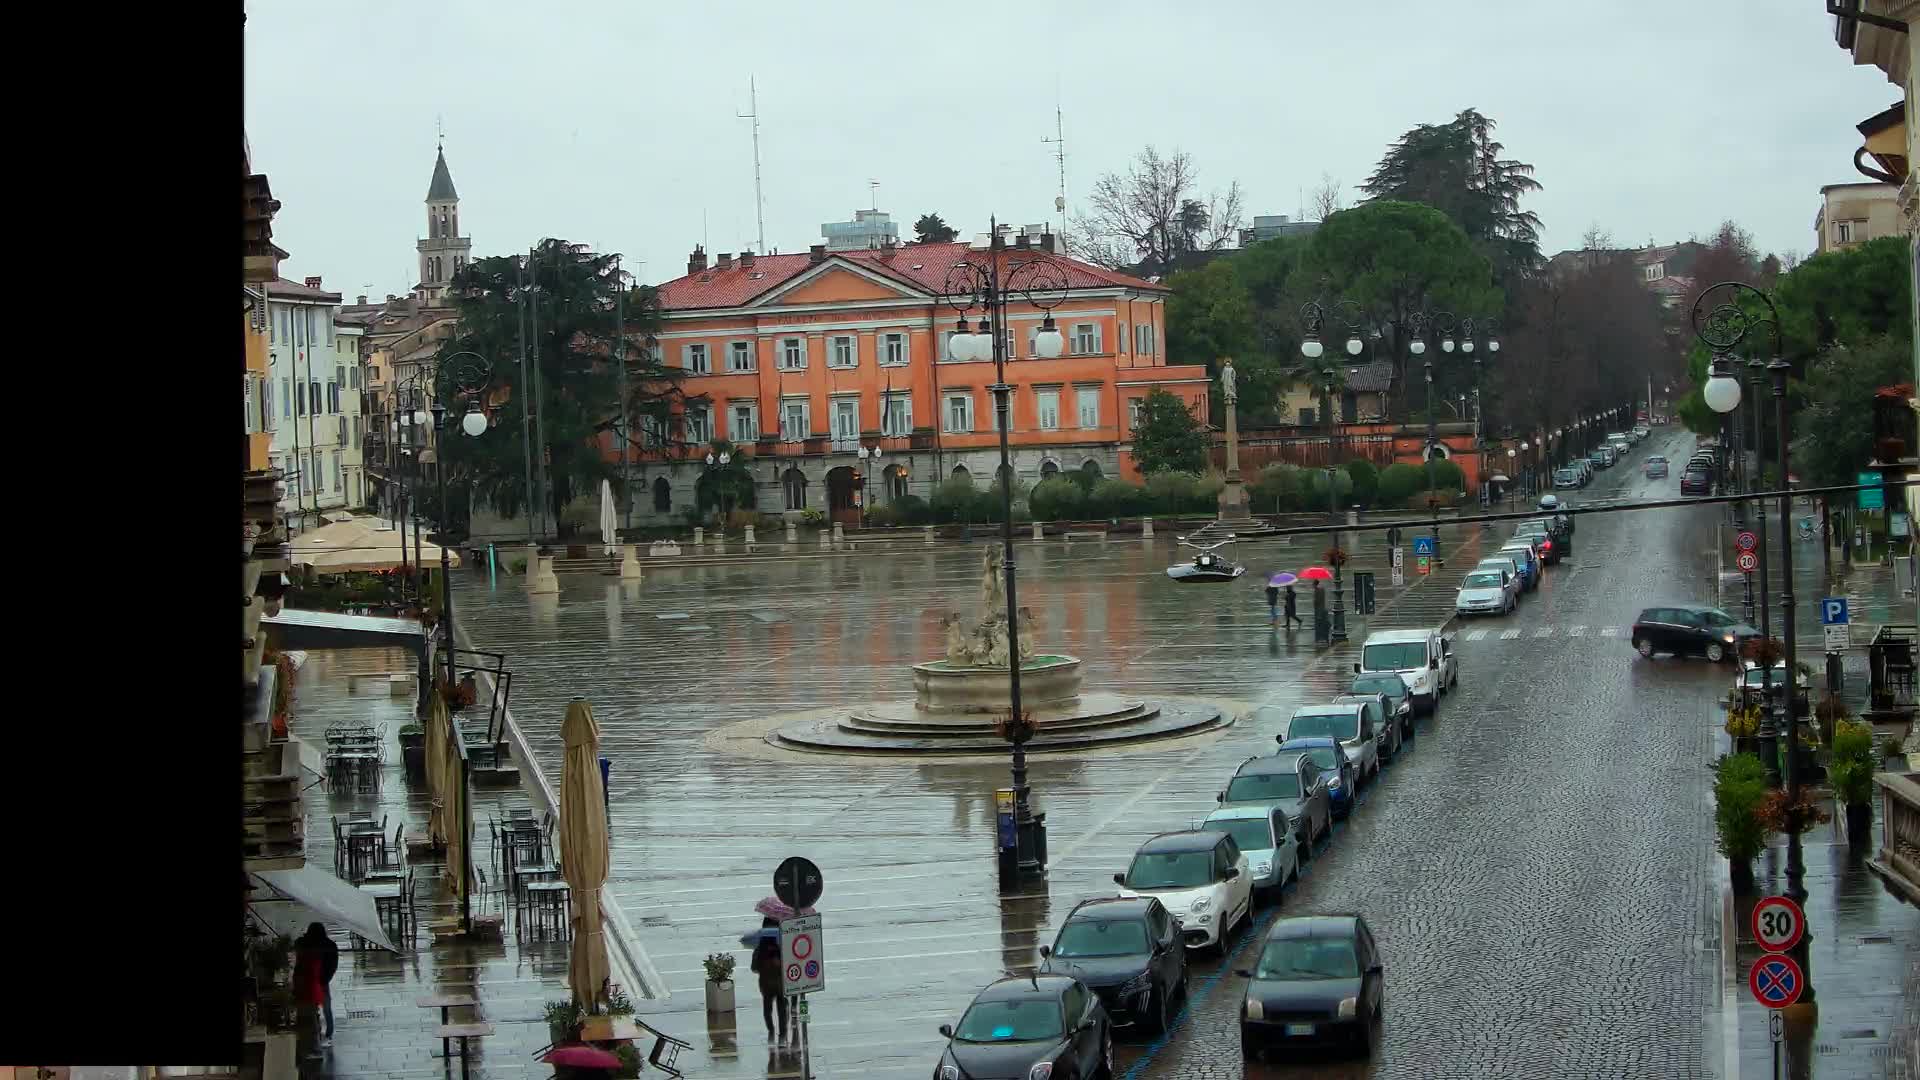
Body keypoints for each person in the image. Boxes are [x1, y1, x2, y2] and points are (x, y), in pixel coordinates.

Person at [292, 922, 338, 1049]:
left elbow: (298, 948)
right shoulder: (329, 945)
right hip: (322, 980)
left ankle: (316, 1033)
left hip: (308, 981)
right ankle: (328, 1032)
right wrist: (325, 979)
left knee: (311, 1008)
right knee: (326, 1007)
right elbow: (333, 965)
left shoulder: (305, 943)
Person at [748, 918, 788, 1042]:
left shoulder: (759, 949)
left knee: (767, 1010)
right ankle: (782, 1035)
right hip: (780, 983)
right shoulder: (782, 946)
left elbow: (754, 968)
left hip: (765, 985)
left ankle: (771, 1031)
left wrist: (763, 966)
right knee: (782, 1009)